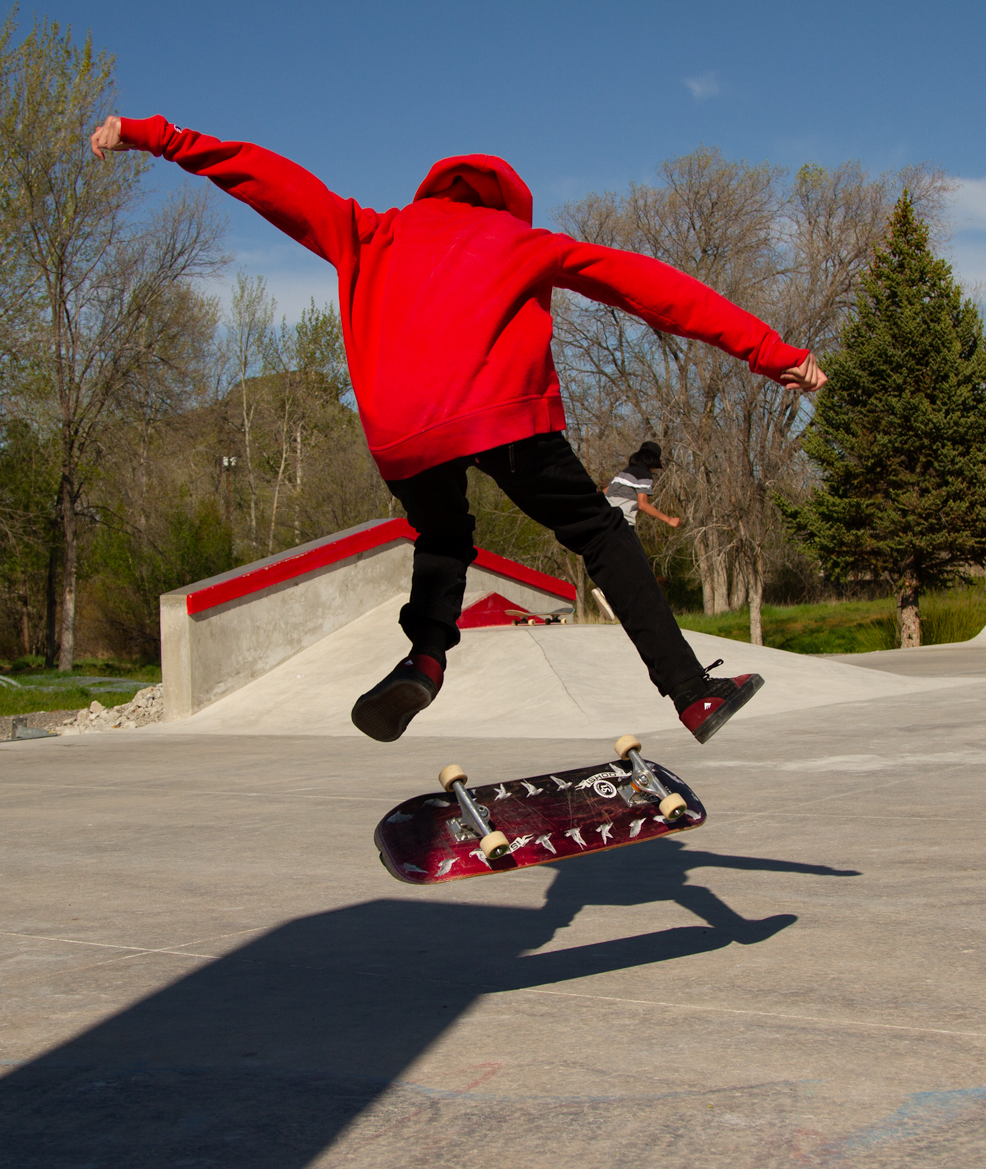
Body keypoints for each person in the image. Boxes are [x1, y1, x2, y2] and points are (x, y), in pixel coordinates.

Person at [90, 115, 826, 744]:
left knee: (443, 537)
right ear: (511, 206)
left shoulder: (369, 231)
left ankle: (425, 660)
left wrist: (155, 137)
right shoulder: (523, 242)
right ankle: (692, 691)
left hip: (403, 436)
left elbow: (267, 178)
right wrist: (774, 355)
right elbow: (656, 290)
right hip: (505, 417)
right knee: (598, 533)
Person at [605, 441, 681, 531]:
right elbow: (643, 504)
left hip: (605, 520)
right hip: (621, 524)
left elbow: (603, 493)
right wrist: (668, 519)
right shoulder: (644, 475)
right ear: (653, 462)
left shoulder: (623, 473)